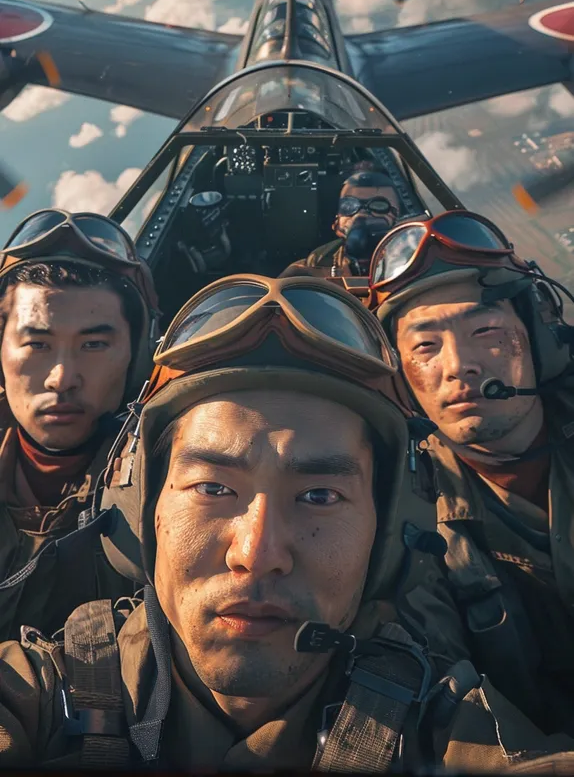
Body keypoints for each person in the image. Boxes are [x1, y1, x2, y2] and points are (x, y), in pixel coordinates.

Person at [0, 273, 571, 771]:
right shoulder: (35, 691)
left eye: (319, 495)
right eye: (213, 488)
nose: (256, 553)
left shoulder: (458, 731)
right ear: (138, 509)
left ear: (389, 533)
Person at [369, 209, 574, 736]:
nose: (460, 365)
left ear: (539, 339)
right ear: (399, 378)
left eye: (485, 331)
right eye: (425, 346)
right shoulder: (407, 522)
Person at [0, 209, 159, 641]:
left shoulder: (168, 485)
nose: (62, 378)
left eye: (93, 344)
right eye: (37, 344)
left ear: (136, 357)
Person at [282, 163, 401, 278]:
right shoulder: (318, 261)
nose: (360, 214)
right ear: (337, 219)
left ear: (399, 217)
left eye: (378, 205)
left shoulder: (408, 258)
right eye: (349, 205)